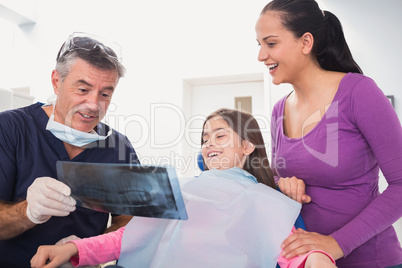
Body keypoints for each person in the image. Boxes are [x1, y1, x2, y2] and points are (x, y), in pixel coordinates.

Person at [30, 108, 336, 268]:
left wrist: (317, 259)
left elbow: (291, 252)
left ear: (247, 146)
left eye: (219, 136)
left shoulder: (267, 200)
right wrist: (73, 248)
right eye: (204, 139)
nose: (208, 145)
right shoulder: (184, 189)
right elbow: (131, 237)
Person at [255, 0, 402, 267]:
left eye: (271, 43)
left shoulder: (359, 92)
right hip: (308, 262)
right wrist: (282, 185)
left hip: (371, 260)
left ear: (305, 42)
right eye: (259, 45)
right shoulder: (279, 110)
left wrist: (336, 243)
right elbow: (279, 177)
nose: (261, 55)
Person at [0, 32, 139, 267]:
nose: (94, 104)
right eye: (83, 90)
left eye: (105, 93)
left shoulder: (119, 148)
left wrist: (85, 251)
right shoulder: (10, 129)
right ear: (57, 81)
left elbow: (131, 223)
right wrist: (29, 211)